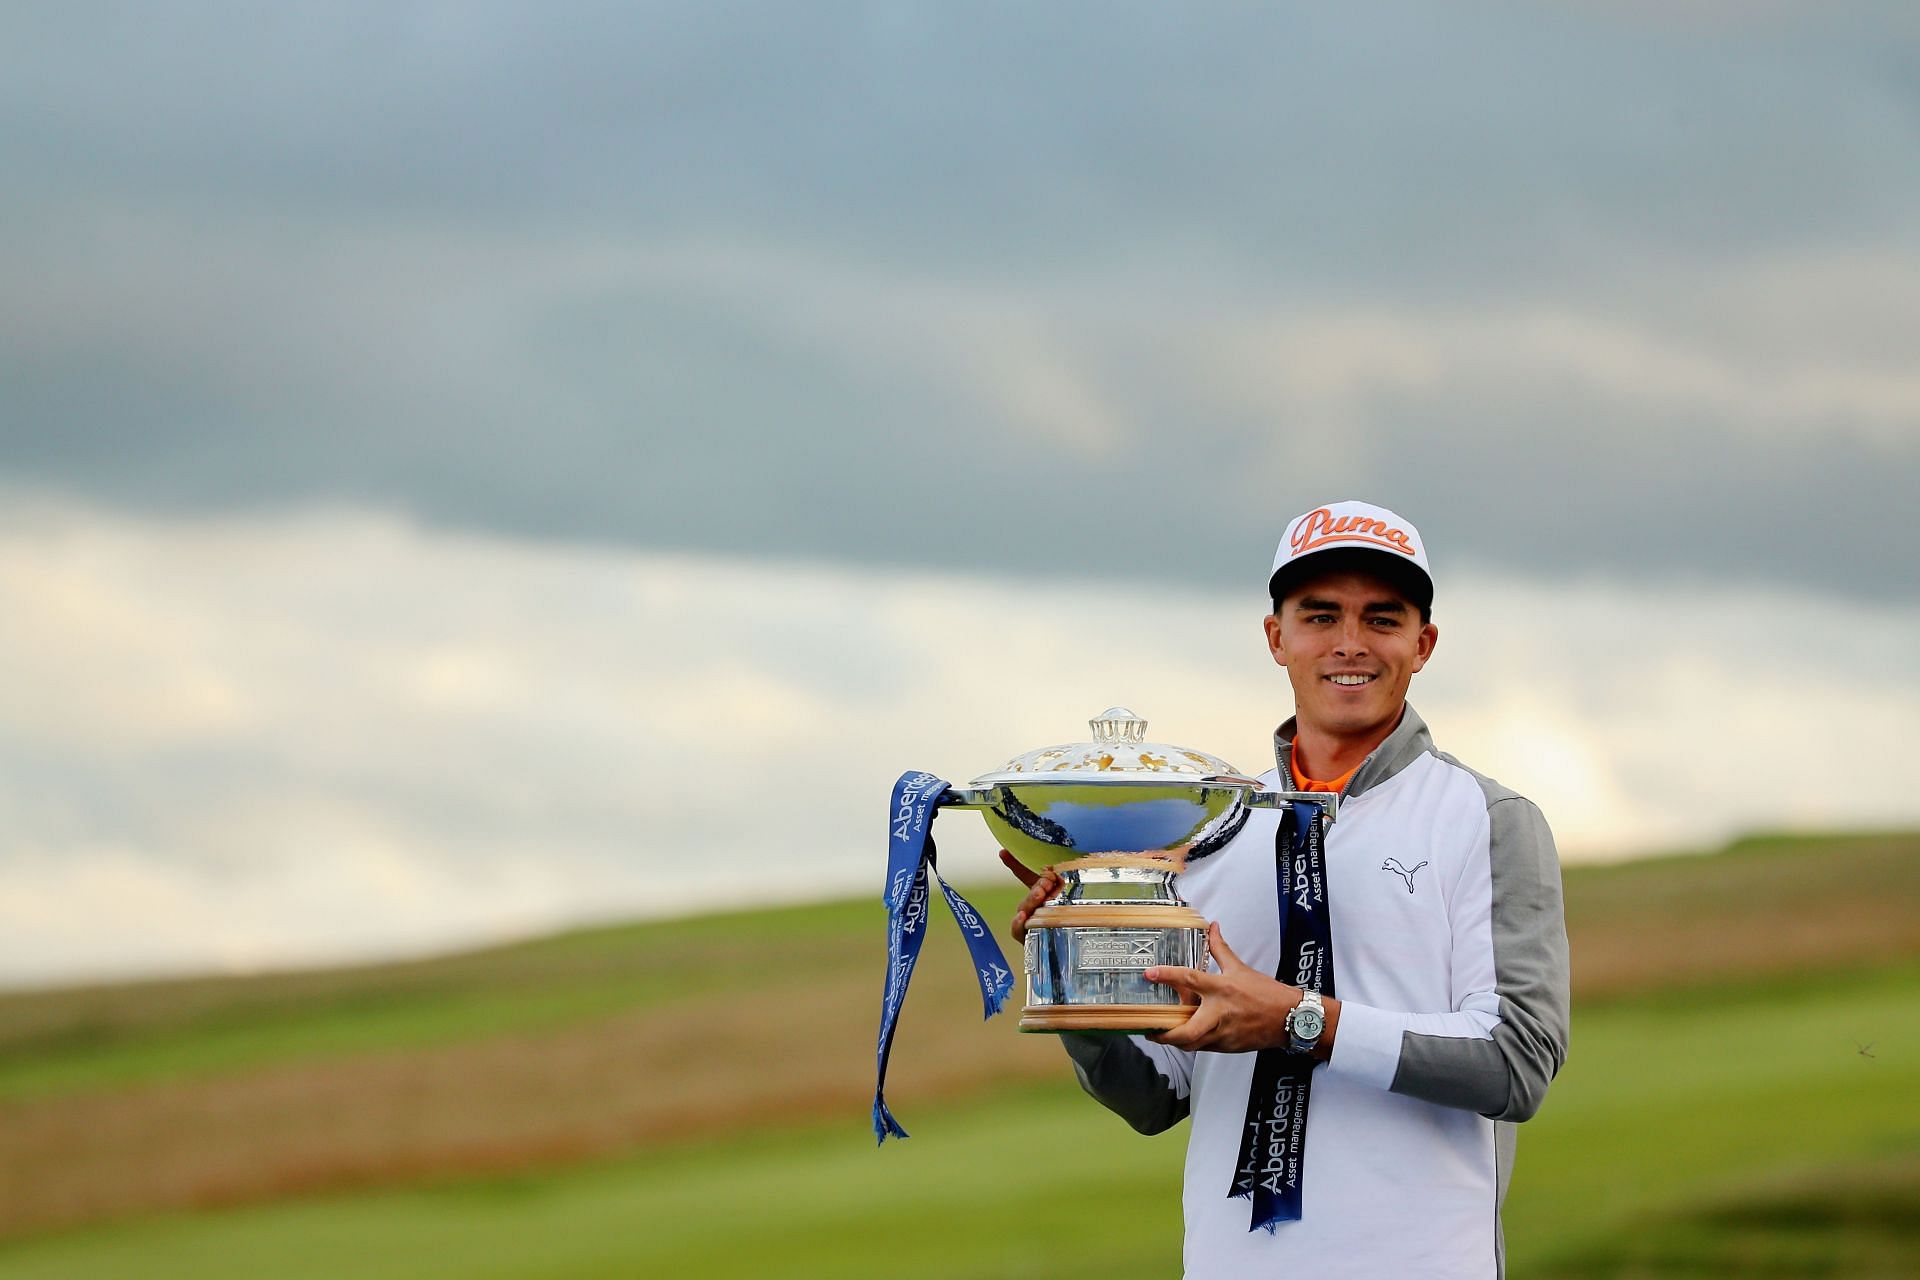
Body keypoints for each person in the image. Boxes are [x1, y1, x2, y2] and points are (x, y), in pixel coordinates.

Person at [1004, 500, 1570, 1279]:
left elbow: (1516, 1062)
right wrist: (1075, 972)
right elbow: (1155, 1098)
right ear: (1277, 636)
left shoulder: (1490, 819)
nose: (1349, 644)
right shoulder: (1203, 827)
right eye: (1319, 615)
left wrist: (1303, 1021)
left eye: (1382, 618)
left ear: (1423, 643)